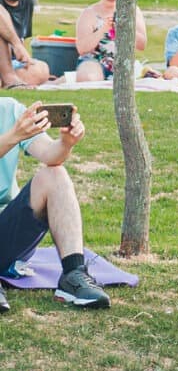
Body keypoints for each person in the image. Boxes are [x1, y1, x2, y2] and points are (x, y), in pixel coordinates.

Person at [0, 98, 110, 311]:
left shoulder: (9, 110)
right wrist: (14, 136)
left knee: (55, 173)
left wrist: (66, 142)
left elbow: (50, 155)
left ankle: (73, 274)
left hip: (5, 233)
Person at [74, 0, 147, 83]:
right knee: (88, 77)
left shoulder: (133, 11)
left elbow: (142, 45)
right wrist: (103, 30)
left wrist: (125, 30)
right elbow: (82, 49)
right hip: (95, 62)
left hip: (124, 63)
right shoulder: (89, 13)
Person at [0, 0, 50, 87]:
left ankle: (8, 79)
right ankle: (9, 79)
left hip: (12, 63)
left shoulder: (27, 3)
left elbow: (22, 41)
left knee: (43, 69)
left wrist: (26, 59)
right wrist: (16, 44)